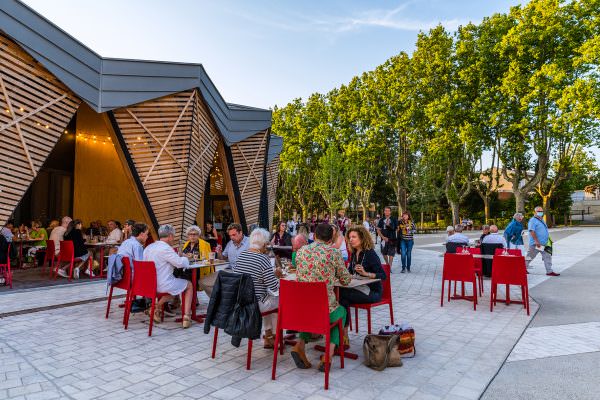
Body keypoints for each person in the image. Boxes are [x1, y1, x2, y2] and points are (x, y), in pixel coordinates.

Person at [291, 223, 351, 372]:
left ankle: (300, 344)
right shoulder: (333, 253)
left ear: (314, 236)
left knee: (311, 312)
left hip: (302, 307)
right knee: (341, 312)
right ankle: (328, 355)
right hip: (325, 308)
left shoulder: (300, 252)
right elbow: (346, 280)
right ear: (331, 238)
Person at [233, 228, 282, 348]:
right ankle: (276, 338)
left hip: (241, 302)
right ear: (264, 244)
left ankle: (268, 336)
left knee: (268, 298)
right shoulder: (263, 259)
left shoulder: (241, 256)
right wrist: (277, 276)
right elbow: (274, 286)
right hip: (255, 305)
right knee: (278, 300)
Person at [339, 226, 386, 343]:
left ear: (362, 238)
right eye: (349, 237)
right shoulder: (354, 253)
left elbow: (383, 275)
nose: (351, 240)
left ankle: (341, 336)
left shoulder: (370, 253)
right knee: (342, 299)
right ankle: (344, 336)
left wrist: (366, 273)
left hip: (373, 292)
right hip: (359, 289)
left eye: (354, 237)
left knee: (340, 294)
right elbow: (351, 272)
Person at [143, 224, 195, 328]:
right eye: (173, 237)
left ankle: (156, 307)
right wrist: (185, 258)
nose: (173, 239)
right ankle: (186, 316)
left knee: (176, 286)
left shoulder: (149, 247)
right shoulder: (166, 248)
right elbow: (180, 263)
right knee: (188, 285)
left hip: (149, 285)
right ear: (170, 236)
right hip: (162, 284)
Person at [199, 223, 249, 297]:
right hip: (230, 271)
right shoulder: (230, 243)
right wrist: (219, 252)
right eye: (230, 235)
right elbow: (222, 258)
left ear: (240, 232)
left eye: (234, 235)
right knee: (202, 282)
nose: (231, 237)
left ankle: (226, 300)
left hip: (245, 273)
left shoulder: (251, 242)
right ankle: (219, 300)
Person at [526, 207, 560, 276]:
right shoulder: (533, 220)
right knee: (530, 256)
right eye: (538, 211)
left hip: (544, 243)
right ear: (535, 212)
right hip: (536, 244)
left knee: (547, 256)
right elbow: (532, 231)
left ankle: (549, 271)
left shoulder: (541, 220)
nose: (540, 212)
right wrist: (536, 241)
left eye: (541, 211)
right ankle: (522, 268)